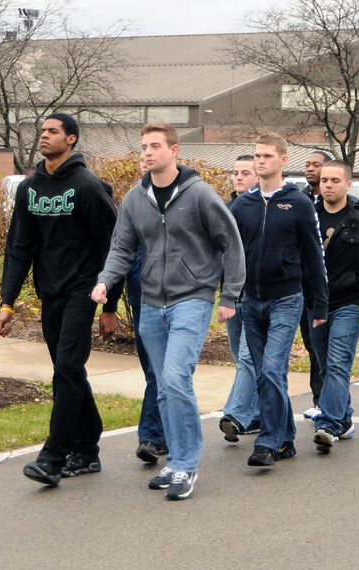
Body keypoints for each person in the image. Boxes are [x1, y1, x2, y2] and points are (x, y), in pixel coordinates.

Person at [92, 122, 245, 500]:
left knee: (176, 379)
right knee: (162, 386)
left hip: (191, 299)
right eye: (143, 146)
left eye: (155, 145)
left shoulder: (199, 195)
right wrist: (105, 281)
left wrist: (230, 296)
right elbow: (122, 248)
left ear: (174, 151)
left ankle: (187, 466)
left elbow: (231, 244)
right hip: (149, 303)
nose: (147, 152)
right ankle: (175, 460)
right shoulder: (134, 198)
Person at [0, 113, 121, 487]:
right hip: (49, 292)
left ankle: (53, 455)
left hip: (84, 291)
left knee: (66, 367)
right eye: (42, 132)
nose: (44, 137)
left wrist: (110, 305)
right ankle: (87, 445)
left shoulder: (87, 187)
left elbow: (114, 248)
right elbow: (19, 248)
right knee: (70, 371)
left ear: (72, 140)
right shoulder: (29, 188)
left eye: (53, 132)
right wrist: (7, 302)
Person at [230, 133, 328, 467]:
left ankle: (267, 442)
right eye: (257, 156)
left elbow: (314, 255)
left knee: (272, 369)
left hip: (286, 299)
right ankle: (285, 438)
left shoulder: (298, 203)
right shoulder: (242, 204)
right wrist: (229, 296)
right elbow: (231, 254)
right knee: (264, 374)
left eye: (267, 156)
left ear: (283, 161)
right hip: (250, 301)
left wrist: (320, 303)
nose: (260, 161)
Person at [309, 160, 359, 453]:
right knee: (323, 362)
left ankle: (328, 425)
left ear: (348, 184)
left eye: (334, 180)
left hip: (351, 302)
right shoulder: (310, 217)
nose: (328, 185)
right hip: (315, 305)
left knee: (338, 363)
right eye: (324, 180)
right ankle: (344, 419)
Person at [220, 155, 262, 442]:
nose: (238, 177)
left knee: (249, 357)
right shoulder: (224, 208)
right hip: (230, 293)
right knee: (241, 357)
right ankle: (256, 414)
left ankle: (235, 414)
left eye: (245, 173)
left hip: (258, 293)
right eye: (235, 173)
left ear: (258, 176)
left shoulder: (263, 208)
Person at [131, 156, 168, 465]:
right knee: (154, 372)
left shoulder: (187, 197)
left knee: (164, 372)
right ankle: (164, 434)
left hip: (180, 299)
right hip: (142, 298)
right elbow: (120, 247)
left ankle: (151, 436)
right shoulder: (134, 201)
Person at [300, 150, 332, 419]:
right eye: (308, 165)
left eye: (317, 165)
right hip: (302, 285)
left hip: (332, 286)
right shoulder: (300, 199)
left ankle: (328, 400)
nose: (311, 169)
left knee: (327, 347)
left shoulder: (333, 204)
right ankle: (318, 398)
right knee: (312, 344)